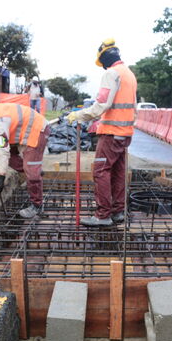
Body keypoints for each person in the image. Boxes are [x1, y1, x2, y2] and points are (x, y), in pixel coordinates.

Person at [66, 38, 137, 227]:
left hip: (112, 134)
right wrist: (99, 122)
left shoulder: (112, 74)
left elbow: (102, 104)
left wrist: (80, 115)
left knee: (100, 170)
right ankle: (117, 211)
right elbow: (126, 107)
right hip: (125, 133)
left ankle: (103, 215)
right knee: (117, 171)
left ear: (104, 58)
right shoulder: (129, 74)